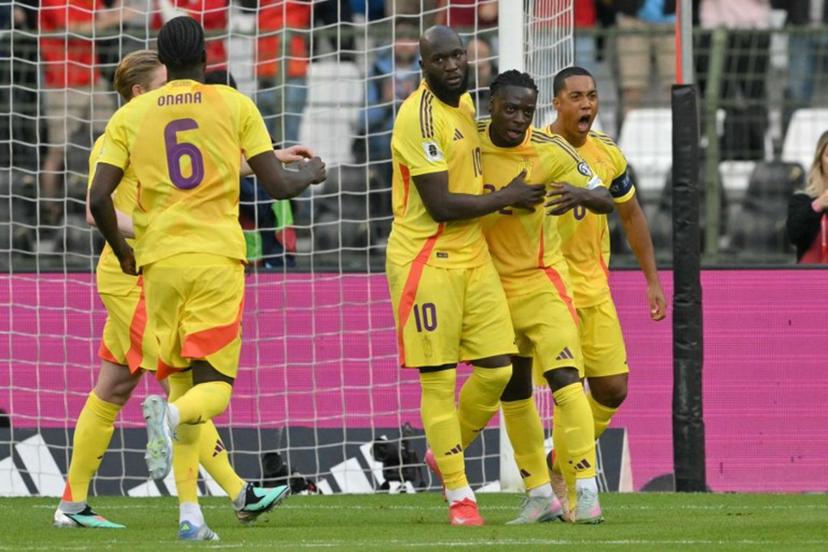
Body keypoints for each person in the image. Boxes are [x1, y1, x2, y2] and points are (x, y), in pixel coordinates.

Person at [89, 17, 326, 540]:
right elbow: (279, 186)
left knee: (179, 380)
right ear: (207, 56)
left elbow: (98, 198)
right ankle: (168, 418)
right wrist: (310, 173)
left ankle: (190, 515)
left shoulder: (134, 114)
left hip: (159, 264)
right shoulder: (233, 104)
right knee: (210, 390)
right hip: (215, 260)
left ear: (164, 59)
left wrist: (124, 253)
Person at [386, 25, 544, 526]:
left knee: (499, 368)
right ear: (423, 66)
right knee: (438, 381)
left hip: (473, 257)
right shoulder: (418, 116)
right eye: (441, 59)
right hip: (426, 260)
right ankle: (460, 496)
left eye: (458, 55)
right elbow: (440, 205)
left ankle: (445, 447)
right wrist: (508, 196)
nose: (453, 65)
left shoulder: (466, 103)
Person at [479, 70, 612, 524]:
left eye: (527, 111)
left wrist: (581, 194)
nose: (519, 119)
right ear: (492, 106)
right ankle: (540, 494)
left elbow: (605, 197)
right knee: (512, 389)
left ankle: (586, 490)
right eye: (511, 109)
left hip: (542, 283)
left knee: (566, 380)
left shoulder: (549, 149)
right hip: (491, 288)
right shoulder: (470, 144)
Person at [547, 66, 667, 513]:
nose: (587, 105)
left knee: (613, 389)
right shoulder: (536, 149)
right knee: (567, 387)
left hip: (594, 287)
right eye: (577, 97)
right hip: (549, 286)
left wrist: (652, 280)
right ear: (557, 103)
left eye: (592, 96)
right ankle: (573, 485)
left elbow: (631, 214)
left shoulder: (608, 153)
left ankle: (556, 461)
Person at [38, 0, 125, 225]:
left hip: (91, 79)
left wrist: (118, 10)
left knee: (114, 139)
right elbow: (72, 29)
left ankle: (112, 206)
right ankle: (48, 213)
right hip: (63, 83)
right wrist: (114, 19)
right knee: (58, 151)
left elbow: (107, 15)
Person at [615, 0, 676, 114]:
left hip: (673, 19)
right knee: (632, 86)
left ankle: (682, 125)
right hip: (632, 19)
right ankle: (629, 124)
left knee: (677, 87)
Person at [787, 130, 828, 263]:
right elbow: (795, 236)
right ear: (819, 161)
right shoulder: (802, 199)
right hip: (813, 274)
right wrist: (818, 205)